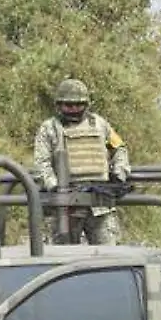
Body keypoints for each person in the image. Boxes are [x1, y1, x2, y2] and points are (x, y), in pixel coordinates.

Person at [33, 78, 131, 245]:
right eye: (68, 105)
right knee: (63, 258)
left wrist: (119, 173)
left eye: (78, 105)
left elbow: (119, 148)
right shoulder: (49, 128)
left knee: (110, 256)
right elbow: (41, 163)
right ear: (59, 105)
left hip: (100, 204)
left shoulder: (99, 124)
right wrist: (54, 186)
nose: (74, 109)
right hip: (66, 206)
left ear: (86, 104)